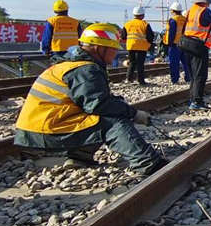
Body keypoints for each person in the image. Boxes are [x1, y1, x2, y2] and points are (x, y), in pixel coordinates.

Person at [14, 23, 167, 175]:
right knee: (112, 120)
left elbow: (90, 101)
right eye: (113, 48)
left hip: (38, 129)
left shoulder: (72, 64)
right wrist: (134, 114)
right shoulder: (85, 69)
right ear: (98, 48)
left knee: (105, 111)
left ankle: (80, 156)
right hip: (45, 133)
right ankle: (148, 163)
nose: (115, 53)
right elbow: (99, 105)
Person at [181, 0, 211, 110]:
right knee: (200, 74)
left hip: (186, 43)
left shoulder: (191, 11)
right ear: (205, 2)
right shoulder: (204, 11)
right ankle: (197, 101)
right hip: (198, 46)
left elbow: (204, 25)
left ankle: (192, 99)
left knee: (193, 74)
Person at [121, 6, 154, 85]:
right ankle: (141, 81)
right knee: (140, 64)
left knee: (132, 62)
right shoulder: (145, 24)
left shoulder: (127, 24)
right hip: (142, 47)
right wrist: (149, 44)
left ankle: (129, 79)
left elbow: (123, 36)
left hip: (131, 46)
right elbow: (150, 37)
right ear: (143, 15)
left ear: (134, 14)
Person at [164, 2, 191, 85]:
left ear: (173, 10)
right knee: (186, 62)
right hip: (184, 44)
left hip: (174, 45)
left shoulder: (173, 20)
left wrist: (169, 43)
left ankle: (175, 79)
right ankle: (188, 78)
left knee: (174, 63)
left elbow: (171, 33)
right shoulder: (185, 19)